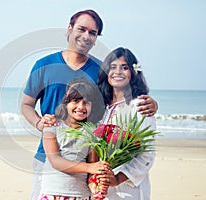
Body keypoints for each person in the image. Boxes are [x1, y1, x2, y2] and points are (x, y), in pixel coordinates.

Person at [21, 9, 158, 200]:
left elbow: (118, 101)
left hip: (86, 160)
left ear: (96, 38)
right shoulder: (43, 65)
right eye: (81, 29)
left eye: (92, 33)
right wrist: (40, 123)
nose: (86, 36)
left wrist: (151, 103)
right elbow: (27, 104)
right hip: (48, 155)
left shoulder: (101, 71)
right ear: (69, 29)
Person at [97, 47, 157, 199]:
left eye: (124, 67)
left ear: (133, 72)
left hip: (127, 189)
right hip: (100, 186)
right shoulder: (101, 107)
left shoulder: (140, 106)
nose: (118, 72)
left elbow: (146, 155)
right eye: (113, 67)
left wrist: (117, 179)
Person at [40, 78, 111, 200]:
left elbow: (91, 169)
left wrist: (96, 188)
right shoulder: (52, 127)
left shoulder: (94, 131)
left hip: (80, 195)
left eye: (86, 102)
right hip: (52, 193)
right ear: (66, 103)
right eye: (75, 101)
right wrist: (90, 167)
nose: (81, 107)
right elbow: (55, 161)